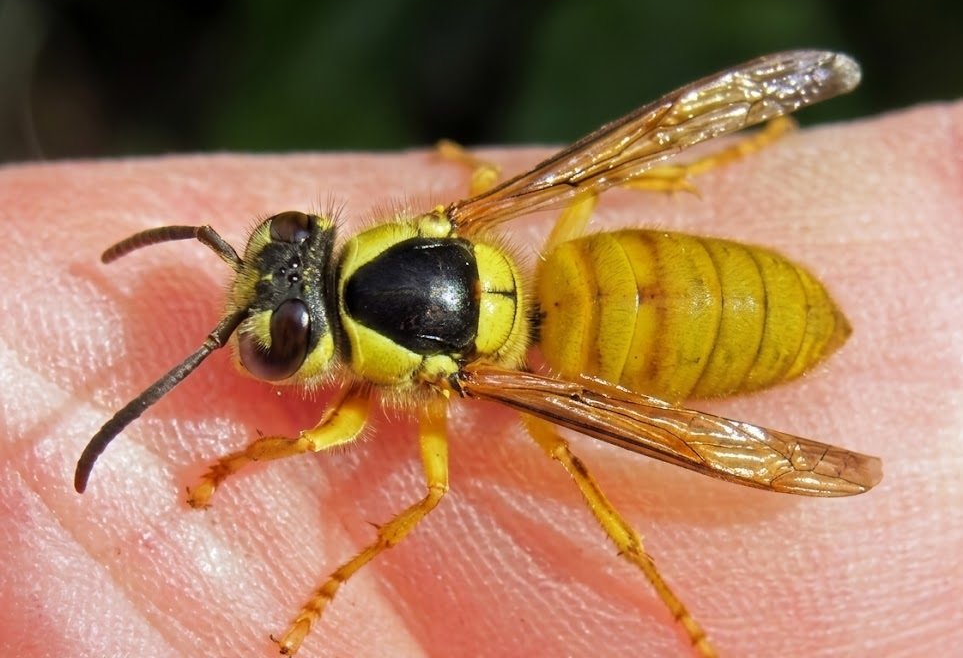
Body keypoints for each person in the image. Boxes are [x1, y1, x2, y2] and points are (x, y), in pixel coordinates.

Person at [1, 102, 960, 656]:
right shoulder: (457, 221)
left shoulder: (445, 381)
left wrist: (243, 467)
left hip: (665, 334)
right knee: (587, 181)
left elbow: (406, 481)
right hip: (620, 282)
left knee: (509, 477)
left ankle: (652, 580)